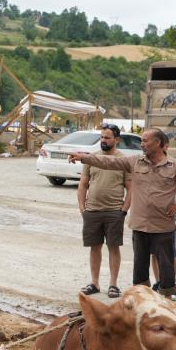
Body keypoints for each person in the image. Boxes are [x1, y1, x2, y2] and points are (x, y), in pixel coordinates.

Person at [70, 129, 176, 297]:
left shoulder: (175, 166)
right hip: (139, 226)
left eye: (146, 141)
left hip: (163, 226)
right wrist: (83, 157)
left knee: (166, 266)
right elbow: (107, 162)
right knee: (139, 266)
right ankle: (142, 300)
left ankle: (167, 300)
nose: (142, 144)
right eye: (142, 141)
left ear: (159, 144)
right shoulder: (135, 162)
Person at [77, 124, 131, 298]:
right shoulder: (91, 159)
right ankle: (94, 282)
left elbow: (131, 188)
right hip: (92, 211)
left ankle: (113, 285)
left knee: (113, 247)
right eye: (102, 137)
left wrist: (123, 210)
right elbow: (83, 184)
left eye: (107, 137)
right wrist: (82, 208)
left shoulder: (123, 161)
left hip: (114, 211)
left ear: (117, 140)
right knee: (95, 247)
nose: (103, 140)